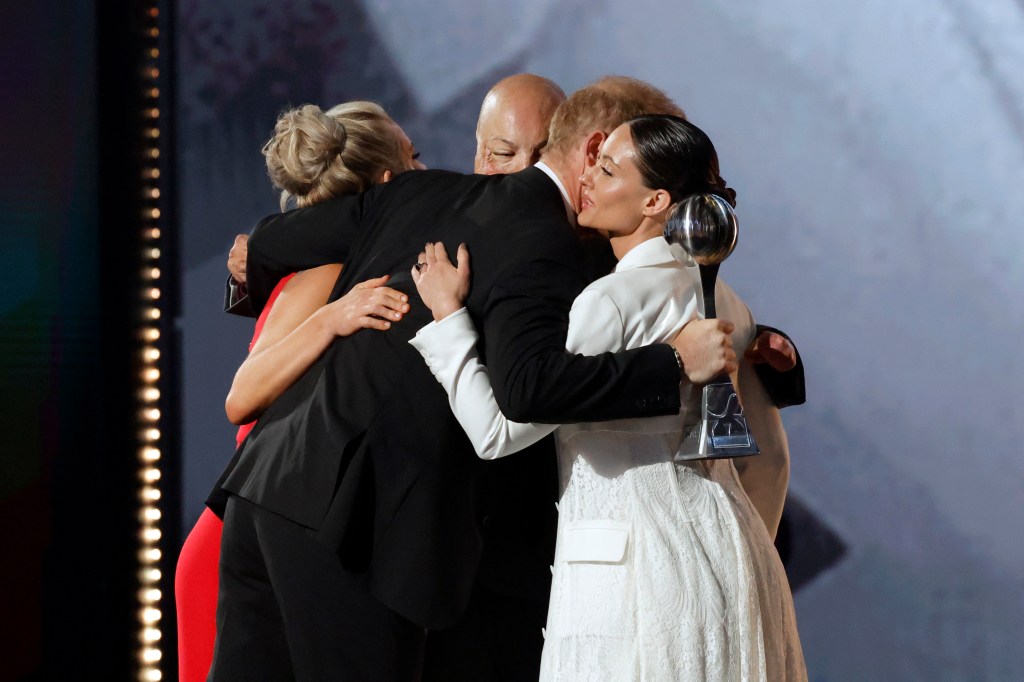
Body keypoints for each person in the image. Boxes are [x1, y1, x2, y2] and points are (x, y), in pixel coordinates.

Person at [207, 73, 746, 680]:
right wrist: (673, 362)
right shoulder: (555, 248)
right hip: (356, 523)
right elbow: (528, 391)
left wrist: (255, 268)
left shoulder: (421, 193)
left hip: (266, 485)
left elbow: (263, 246)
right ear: (595, 150)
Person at [409, 114, 806, 680]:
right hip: (734, 559)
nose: (588, 178)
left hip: (636, 578)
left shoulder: (611, 301)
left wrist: (449, 318)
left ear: (654, 201)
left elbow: (497, 433)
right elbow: (768, 452)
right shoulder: (735, 306)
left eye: (608, 169)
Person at [174, 100, 422, 682]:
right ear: (387, 180)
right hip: (246, 535)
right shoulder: (328, 271)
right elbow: (242, 394)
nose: (426, 174)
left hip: (268, 524)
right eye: (416, 157)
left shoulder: (336, 260)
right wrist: (334, 318)